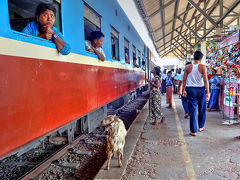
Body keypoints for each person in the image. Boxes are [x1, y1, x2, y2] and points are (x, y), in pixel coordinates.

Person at [182, 51, 209, 136]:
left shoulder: (187, 67)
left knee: (192, 110)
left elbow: (184, 80)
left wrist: (183, 90)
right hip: (201, 90)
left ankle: (193, 131)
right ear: (201, 58)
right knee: (202, 109)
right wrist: (208, 92)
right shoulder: (203, 67)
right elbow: (205, 80)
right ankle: (200, 127)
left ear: (193, 57)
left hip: (190, 90)